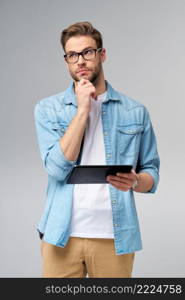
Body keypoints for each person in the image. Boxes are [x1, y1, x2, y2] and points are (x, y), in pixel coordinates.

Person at [34, 21, 160, 278]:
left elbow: (152, 174)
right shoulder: (47, 110)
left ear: (102, 54)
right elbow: (57, 169)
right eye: (72, 55)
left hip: (114, 238)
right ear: (67, 60)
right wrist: (83, 111)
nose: (80, 61)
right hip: (61, 236)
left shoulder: (135, 111)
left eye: (88, 52)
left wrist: (135, 180)